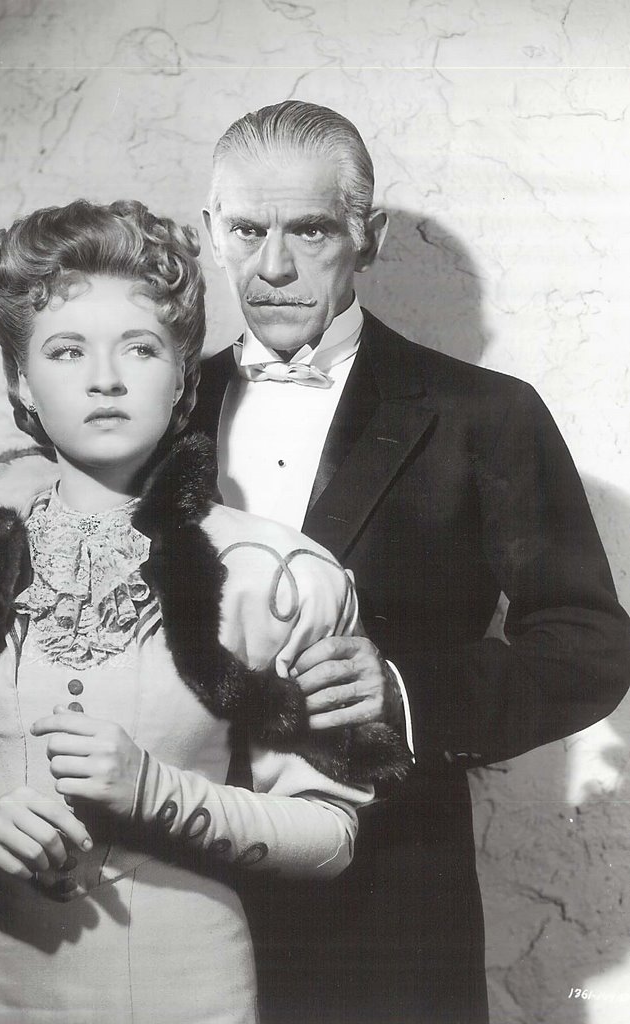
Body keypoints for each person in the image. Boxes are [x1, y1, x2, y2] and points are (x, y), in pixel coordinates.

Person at [0, 198, 411, 1024]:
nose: (104, 379)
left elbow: (329, 837)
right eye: (65, 350)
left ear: (181, 377)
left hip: (185, 994)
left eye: (139, 348)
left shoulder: (274, 576)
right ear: (20, 380)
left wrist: (155, 792)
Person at [190, 100, 630, 1024]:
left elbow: (589, 643)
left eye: (310, 230)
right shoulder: (152, 409)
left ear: (368, 236)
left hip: (389, 897)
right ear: (211, 231)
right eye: (248, 230)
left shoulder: (486, 415)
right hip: (174, 882)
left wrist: (402, 688)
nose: (273, 266)